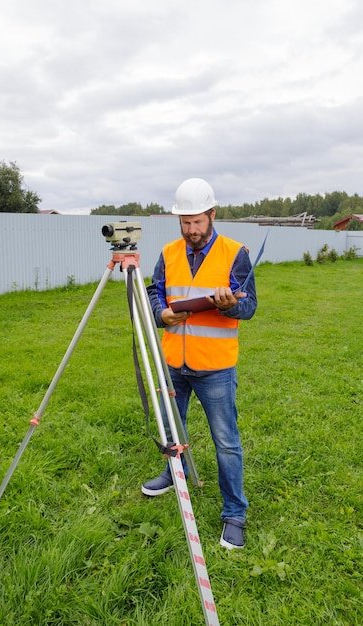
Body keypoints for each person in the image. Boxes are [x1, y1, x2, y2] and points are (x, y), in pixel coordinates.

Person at [141, 178, 257, 550]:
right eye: (184, 223)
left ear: (212, 214)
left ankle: (235, 513)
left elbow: (249, 306)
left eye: (197, 222)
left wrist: (229, 305)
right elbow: (155, 292)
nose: (191, 230)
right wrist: (161, 313)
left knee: (226, 442)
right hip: (174, 361)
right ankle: (174, 475)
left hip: (216, 368)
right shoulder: (169, 252)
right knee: (172, 431)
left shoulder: (234, 252)